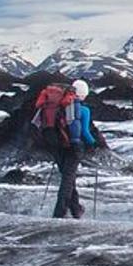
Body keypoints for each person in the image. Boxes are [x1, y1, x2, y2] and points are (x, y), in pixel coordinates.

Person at [31, 73, 91, 218]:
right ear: (83, 94)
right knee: (68, 178)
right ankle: (60, 212)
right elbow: (84, 131)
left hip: (53, 142)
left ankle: (75, 209)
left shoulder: (53, 104)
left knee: (67, 177)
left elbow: (36, 122)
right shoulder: (82, 109)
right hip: (71, 145)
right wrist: (91, 144)